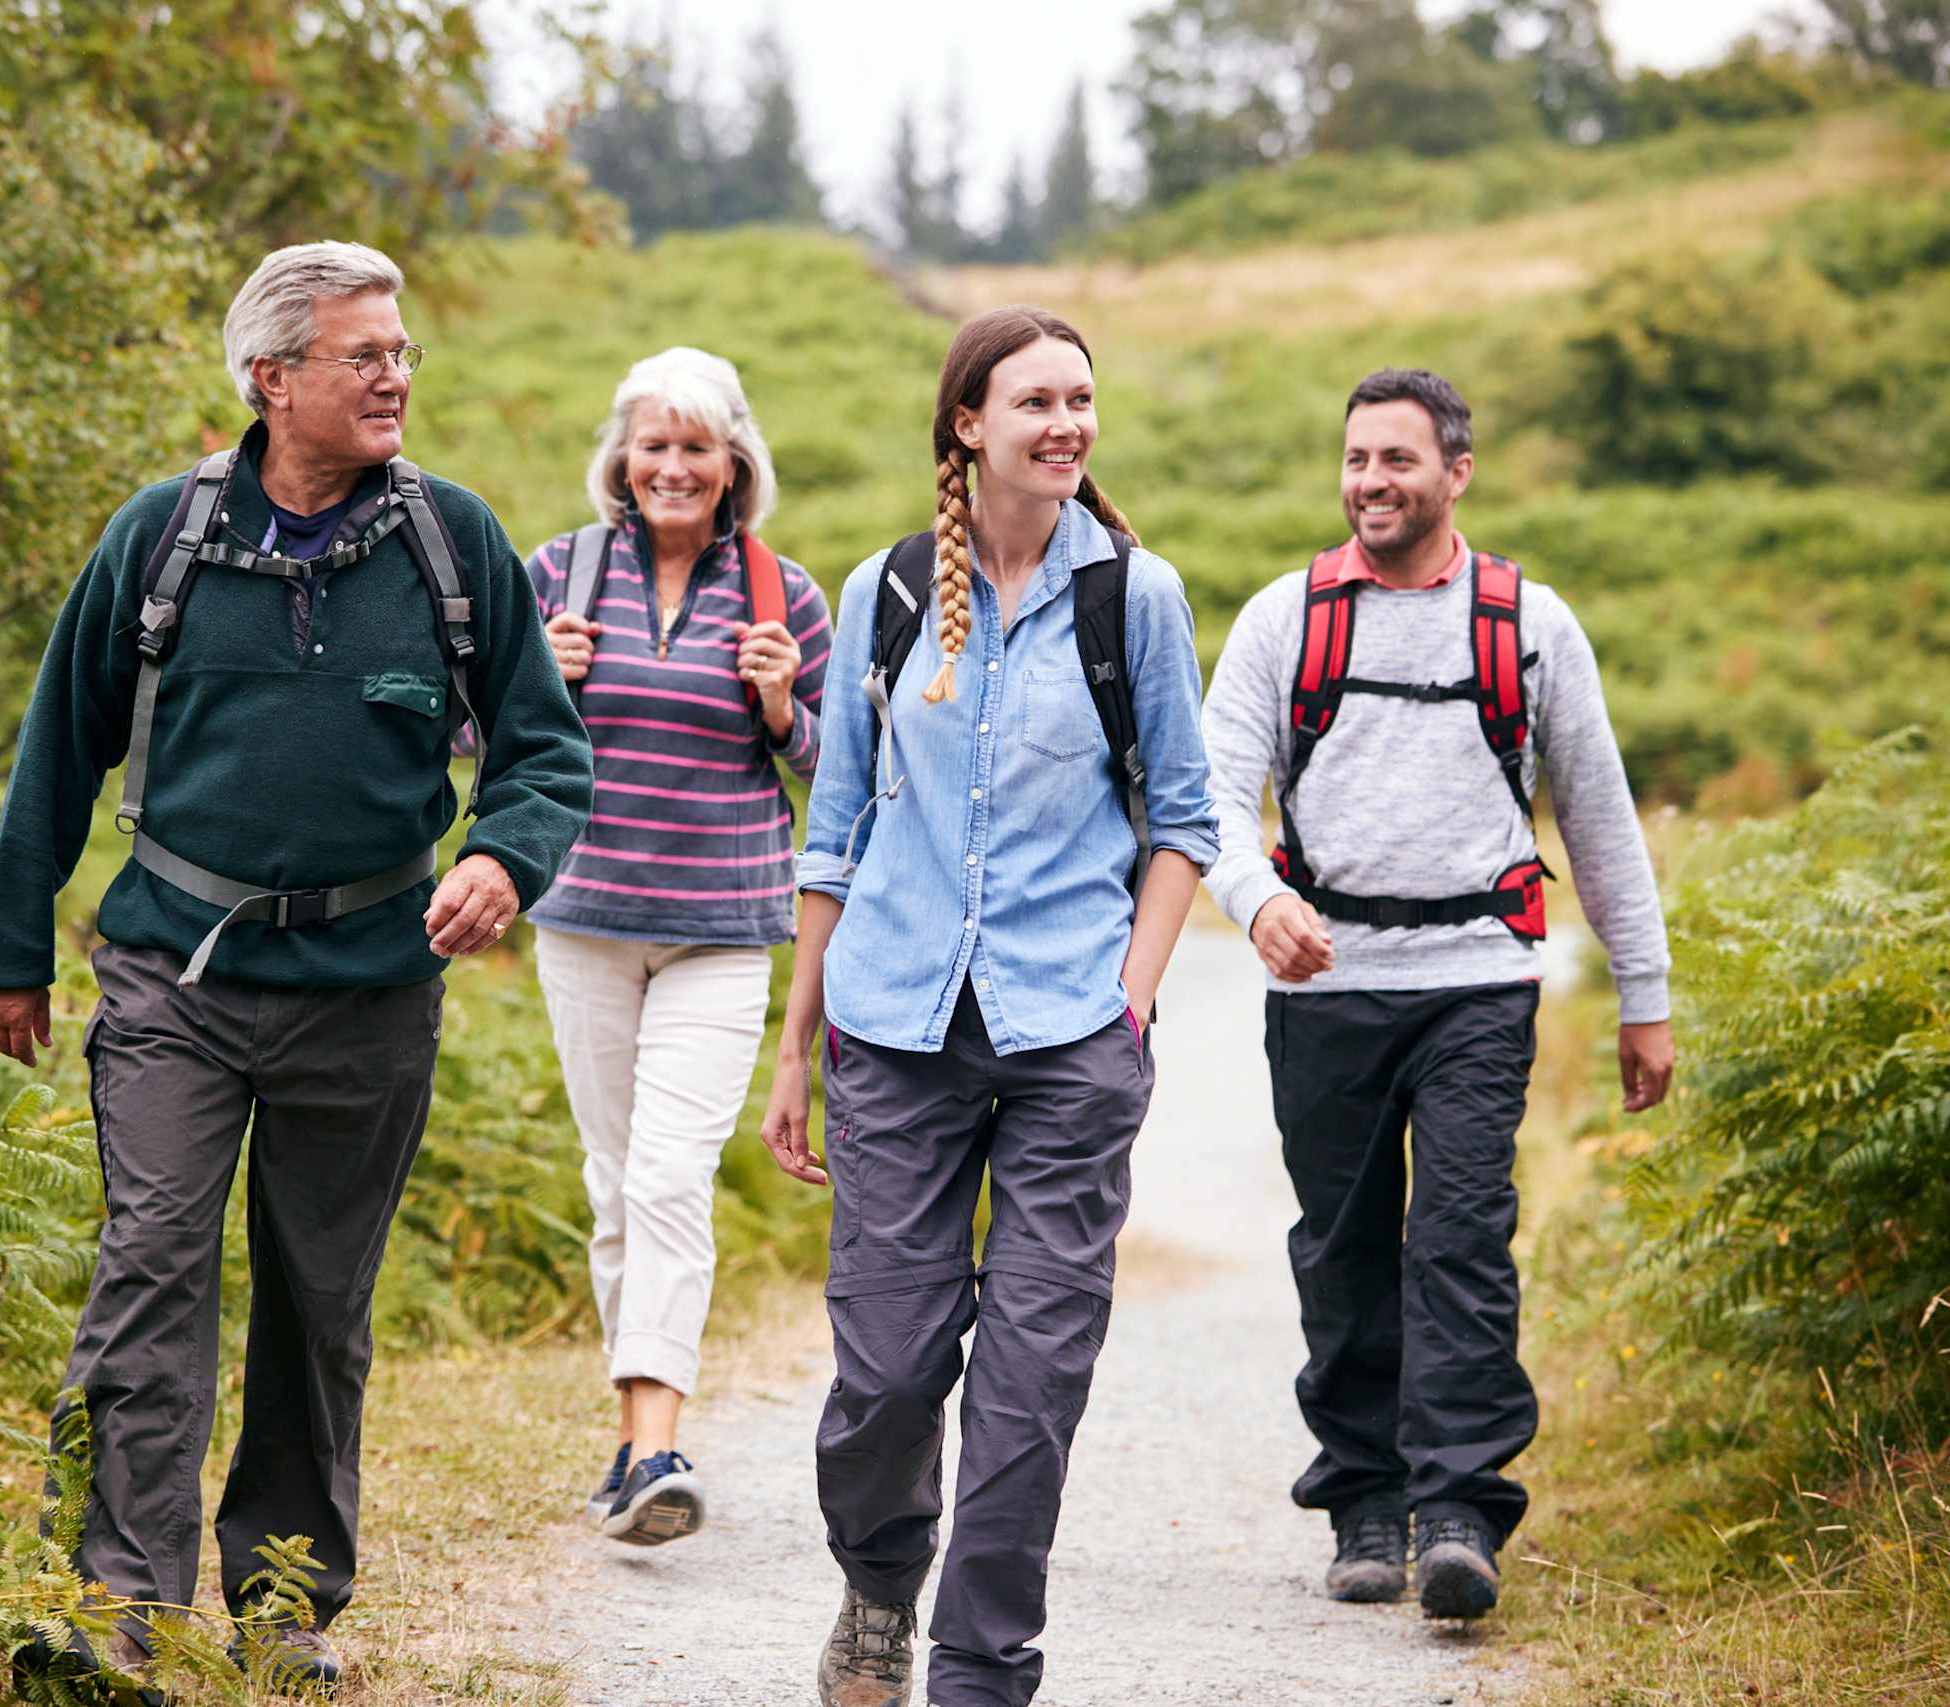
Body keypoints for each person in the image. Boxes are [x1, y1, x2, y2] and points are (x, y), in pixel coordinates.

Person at [0, 241, 591, 1694]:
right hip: (173, 977)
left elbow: (544, 744)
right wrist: (12, 947)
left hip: (373, 982)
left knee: (320, 1299)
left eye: (402, 352)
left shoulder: (453, 541)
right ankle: (114, 1599)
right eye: (363, 354)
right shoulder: (159, 536)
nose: (394, 375)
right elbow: (59, 744)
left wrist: (505, 853)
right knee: (152, 1264)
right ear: (273, 378)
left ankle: (283, 1606)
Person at [764, 306, 1218, 1707]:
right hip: (893, 1033)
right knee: (889, 1369)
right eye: (1038, 402)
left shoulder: (1131, 594)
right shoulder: (891, 592)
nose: (1068, 424)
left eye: (1083, 399)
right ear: (970, 423)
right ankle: (881, 1582)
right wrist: (797, 1045)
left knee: (1029, 1383)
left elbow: (1185, 821)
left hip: (1070, 1036)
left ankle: (980, 1667)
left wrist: (1129, 1006)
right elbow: (834, 824)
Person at [1199, 368, 1673, 1620]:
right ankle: (1364, 1502)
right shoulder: (1282, 620)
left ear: (1455, 473)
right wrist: (1259, 902)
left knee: (1459, 1238)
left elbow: (1599, 817)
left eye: (1396, 461)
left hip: (1477, 980)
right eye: (1355, 460)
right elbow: (1209, 798)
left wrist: (1644, 993)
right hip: (1326, 985)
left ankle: (1458, 1509)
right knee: (1342, 1250)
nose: (1370, 483)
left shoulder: (1529, 624)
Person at [520, 347, 831, 1548]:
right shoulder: (560, 573)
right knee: (614, 1189)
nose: (673, 466)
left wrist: (780, 706)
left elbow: (836, 773)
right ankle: (631, 1447)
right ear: (622, 457)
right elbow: (464, 735)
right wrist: (534, 685)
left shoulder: (780, 591)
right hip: (585, 922)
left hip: (720, 929)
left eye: (696, 447)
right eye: (654, 444)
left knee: (664, 1179)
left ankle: (656, 1448)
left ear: (734, 463)